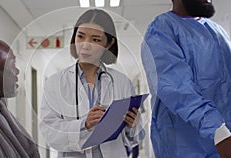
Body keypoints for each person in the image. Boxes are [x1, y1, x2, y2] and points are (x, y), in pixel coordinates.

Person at [39, 9, 145, 158]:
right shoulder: (56, 82)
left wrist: (133, 125)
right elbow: (49, 133)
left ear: (109, 44)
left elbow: (134, 139)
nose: (85, 45)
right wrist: (84, 125)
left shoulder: (122, 82)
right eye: (80, 36)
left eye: (95, 40)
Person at [141, 0, 231, 157]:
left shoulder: (217, 31)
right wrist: (218, 130)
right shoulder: (161, 30)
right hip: (184, 147)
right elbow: (177, 88)